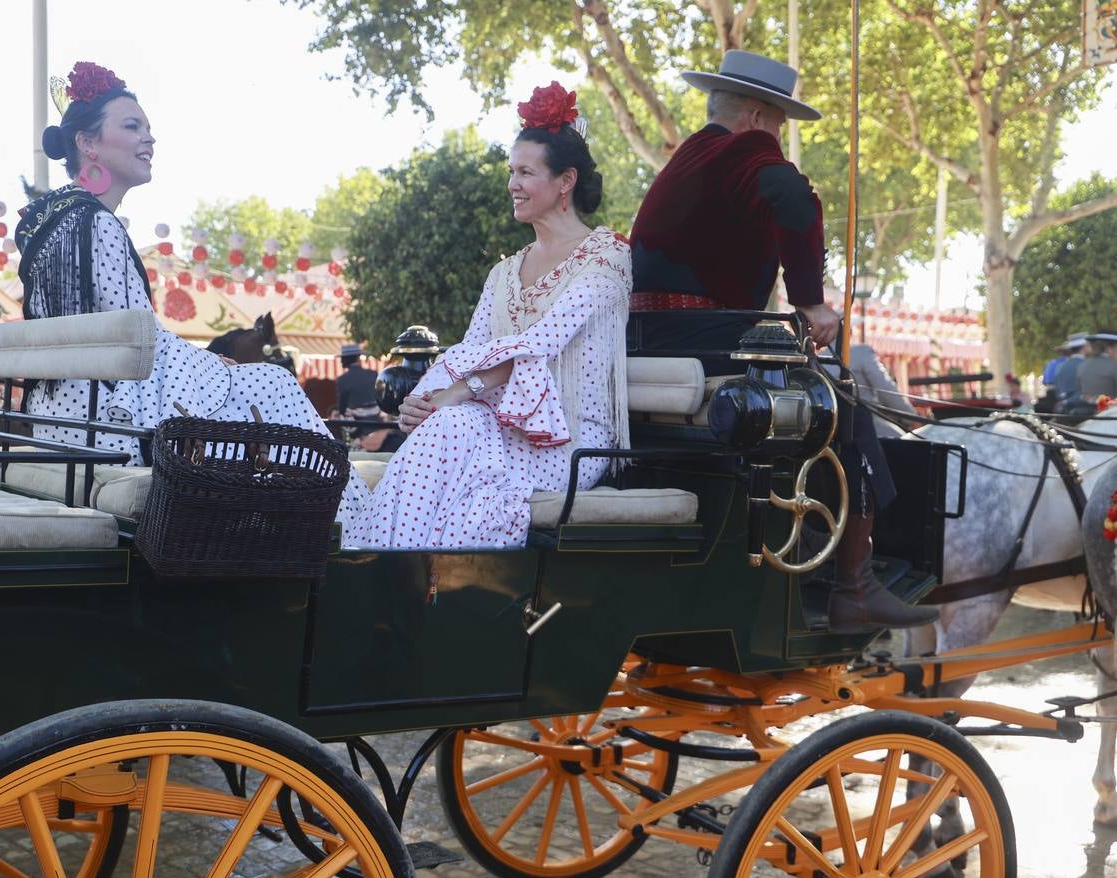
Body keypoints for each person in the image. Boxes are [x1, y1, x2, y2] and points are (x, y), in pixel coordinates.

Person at [628, 50, 935, 633]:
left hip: (650, 341)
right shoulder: (745, 150)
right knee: (842, 404)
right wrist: (811, 300)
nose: (778, 137)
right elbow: (791, 197)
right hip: (706, 338)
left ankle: (804, 531)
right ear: (756, 115)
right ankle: (855, 587)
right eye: (778, 125)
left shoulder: (691, 156)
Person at [15, 61, 366, 523]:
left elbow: (127, 334)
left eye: (148, 128)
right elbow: (140, 340)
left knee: (249, 383)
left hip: (59, 415)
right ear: (88, 143)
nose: (149, 138)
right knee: (275, 382)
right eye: (132, 126)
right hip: (106, 420)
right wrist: (207, 360)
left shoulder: (51, 223)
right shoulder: (96, 223)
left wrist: (200, 358)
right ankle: (355, 528)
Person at [347, 82, 631, 549]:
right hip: (495, 428)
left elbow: (542, 341)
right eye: (511, 171)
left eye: (525, 172)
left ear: (566, 180)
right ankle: (388, 572)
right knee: (448, 424)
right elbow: (469, 350)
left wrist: (455, 395)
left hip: (570, 443)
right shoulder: (503, 272)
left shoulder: (606, 256)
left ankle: (391, 572)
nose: (511, 184)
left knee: (454, 423)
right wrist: (425, 398)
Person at [1080, 330, 1117, 401]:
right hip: (1111, 409)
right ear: (1109, 348)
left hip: (1088, 409)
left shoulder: (1082, 365)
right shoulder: (1113, 365)